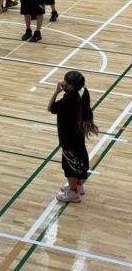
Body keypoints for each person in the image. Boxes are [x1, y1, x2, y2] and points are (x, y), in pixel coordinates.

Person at [48, 70, 98, 203]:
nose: (63, 82)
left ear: (72, 86)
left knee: (69, 167)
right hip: (76, 137)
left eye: (66, 82)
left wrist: (56, 91)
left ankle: (73, 193)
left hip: (69, 140)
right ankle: (78, 185)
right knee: (76, 163)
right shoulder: (76, 96)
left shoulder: (68, 100)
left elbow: (50, 107)